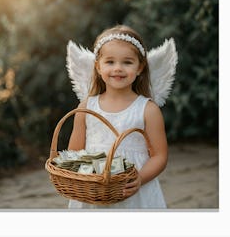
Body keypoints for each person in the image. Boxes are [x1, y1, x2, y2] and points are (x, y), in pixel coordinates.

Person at [67, 25, 168, 209]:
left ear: (140, 67)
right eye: (110, 62)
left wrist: (140, 178)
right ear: (98, 66)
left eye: (127, 62)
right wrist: (81, 178)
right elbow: (73, 153)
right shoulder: (86, 107)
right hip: (93, 191)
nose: (118, 68)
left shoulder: (147, 109)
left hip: (135, 191)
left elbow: (159, 156)